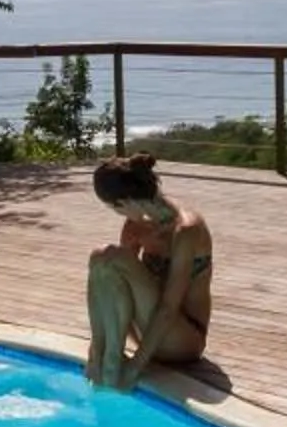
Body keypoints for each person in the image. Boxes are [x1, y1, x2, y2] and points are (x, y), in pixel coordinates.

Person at [85, 153, 211, 391]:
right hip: (146, 331)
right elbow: (114, 285)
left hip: (183, 341)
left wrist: (136, 366)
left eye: (115, 208)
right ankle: (100, 353)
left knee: (112, 257)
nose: (118, 214)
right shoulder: (135, 228)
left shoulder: (186, 230)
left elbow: (168, 307)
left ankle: (111, 360)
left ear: (126, 202)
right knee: (100, 259)